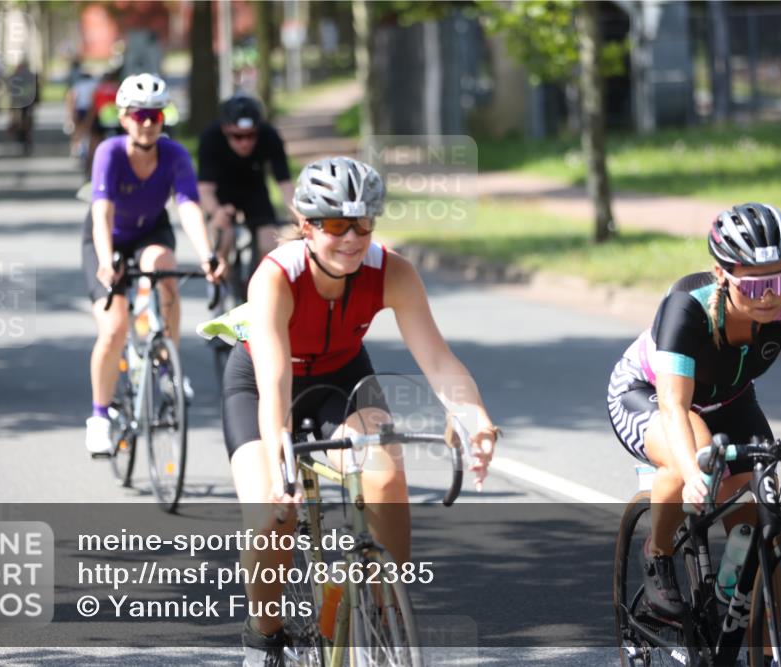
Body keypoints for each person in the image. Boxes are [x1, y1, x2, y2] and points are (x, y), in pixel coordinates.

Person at [218, 156, 499, 666]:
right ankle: (263, 637)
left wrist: (474, 416)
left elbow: (436, 358)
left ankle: (381, 612)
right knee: (271, 515)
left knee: (387, 474)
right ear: (306, 226)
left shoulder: (392, 271)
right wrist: (280, 456)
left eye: (363, 224)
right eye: (335, 225)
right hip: (261, 386)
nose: (351, 237)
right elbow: (275, 378)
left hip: (342, 380)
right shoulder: (275, 277)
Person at [606, 202, 781, 620]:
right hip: (648, 393)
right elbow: (675, 405)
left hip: (732, 402)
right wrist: (694, 474)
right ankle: (656, 554)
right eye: (752, 286)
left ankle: (751, 633)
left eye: (779, 281)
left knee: (759, 523)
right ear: (721, 276)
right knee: (687, 462)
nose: (768, 296)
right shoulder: (687, 307)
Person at [81, 74, 224, 455]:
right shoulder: (109, 153)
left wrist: (208, 255)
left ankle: (166, 368)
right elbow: (102, 213)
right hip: (107, 235)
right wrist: (107, 262)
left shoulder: (174, 154)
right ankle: (98, 416)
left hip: (150, 233)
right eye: (140, 114)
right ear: (125, 117)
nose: (148, 122)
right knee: (114, 328)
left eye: (156, 115)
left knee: (164, 269)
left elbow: (189, 207)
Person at [197, 94, 293, 271]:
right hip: (222, 194)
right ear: (226, 129)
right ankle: (220, 286)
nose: (245, 143)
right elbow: (205, 189)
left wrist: (298, 215)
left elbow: (284, 183)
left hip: (255, 190)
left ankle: (265, 285)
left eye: (251, 135)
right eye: (237, 136)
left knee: (270, 243)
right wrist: (216, 211)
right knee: (224, 239)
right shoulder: (211, 137)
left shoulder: (269, 135)